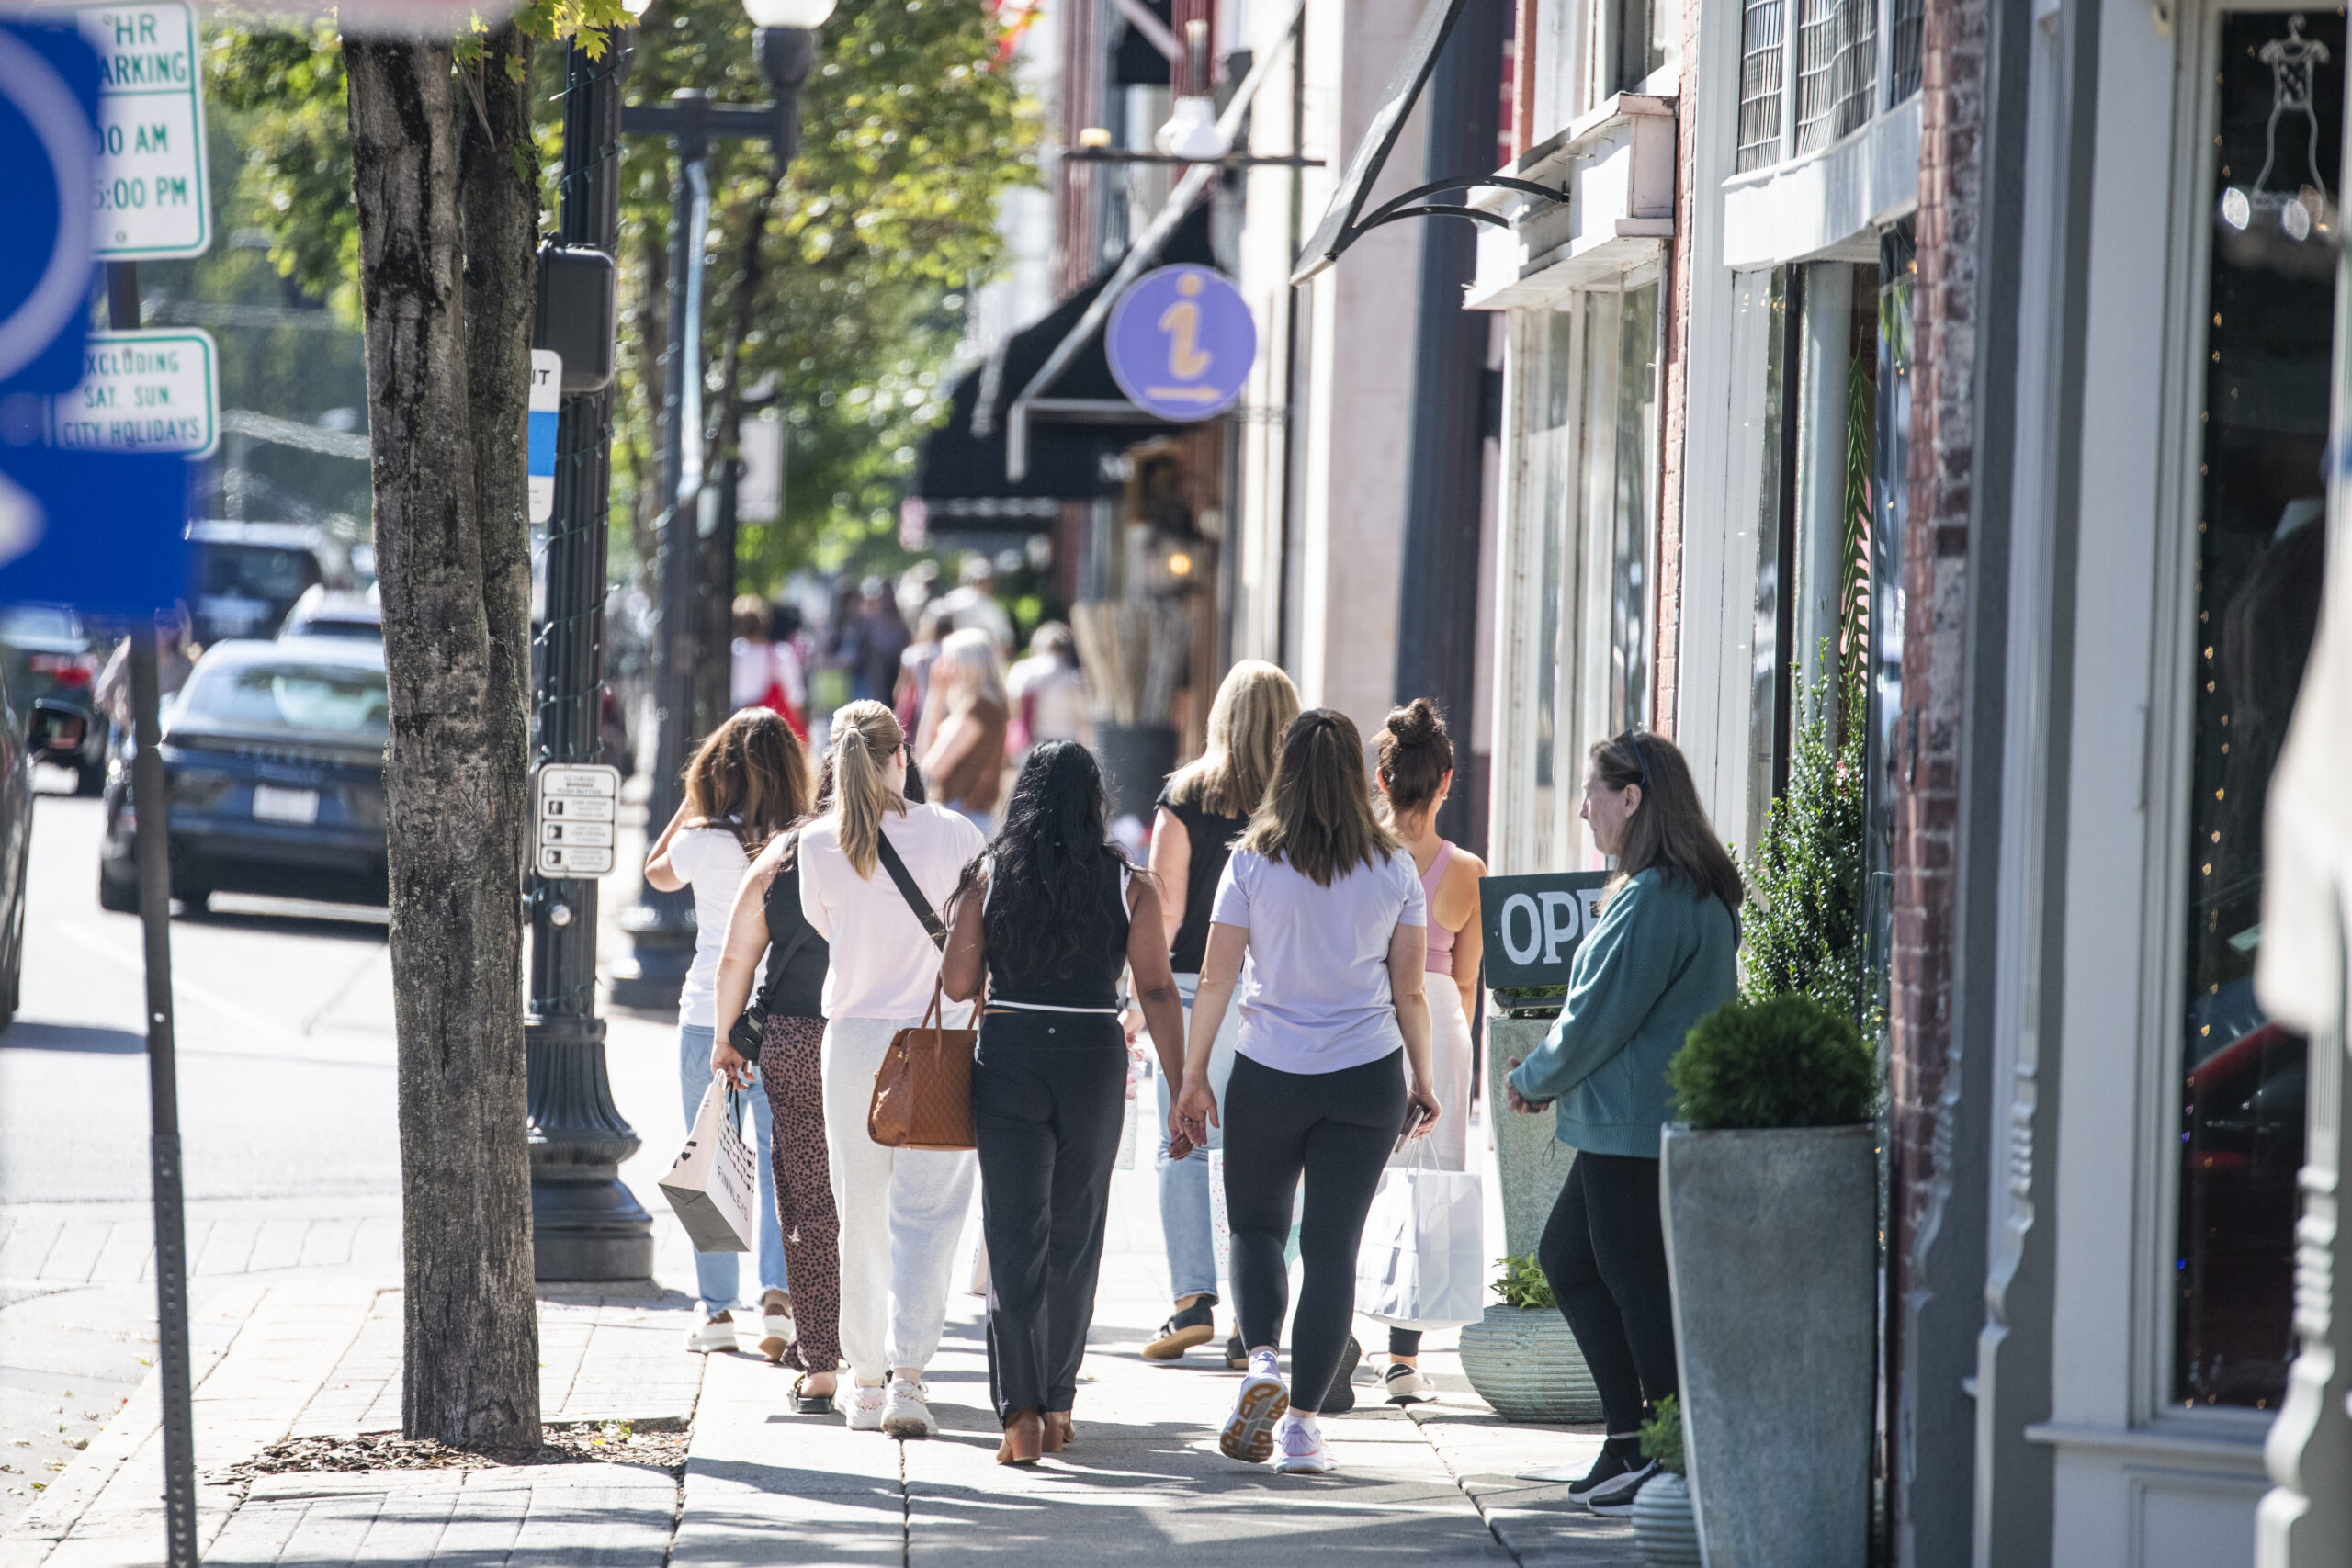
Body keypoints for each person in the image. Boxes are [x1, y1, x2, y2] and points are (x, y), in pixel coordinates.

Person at [1176, 709, 1440, 1476]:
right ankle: (1301, 1429)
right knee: (1332, 1252)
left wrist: (1193, 1074)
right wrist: (1423, 1079)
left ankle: (1261, 1359)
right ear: (1359, 776)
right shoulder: (1394, 868)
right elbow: (1411, 991)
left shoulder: (1250, 862)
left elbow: (1217, 976)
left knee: (1257, 1230)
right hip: (1365, 1077)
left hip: (1268, 1072)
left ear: (1284, 773)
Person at [1504, 730, 1741, 1517]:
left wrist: (1532, 1079)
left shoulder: (1653, 898)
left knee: (1635, 1286)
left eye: (1591, 793)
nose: (1583, 810)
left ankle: (1666, 1454)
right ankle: (1631, 1437)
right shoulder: (1688, 892)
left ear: (1631, 798)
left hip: (1634, 1129)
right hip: (1637, 1126)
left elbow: (1595, 1016)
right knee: (1571, 1259)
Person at [940, 741, 1189, 1464]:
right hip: (1092, 1058)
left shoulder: (990, 874)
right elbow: (1156, 988)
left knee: (1013, 1235)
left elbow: (957, 984)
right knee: (1075, 1236)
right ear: (1093, 803)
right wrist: (1182, 1085)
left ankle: (1019, 1416)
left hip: (1010, 1053)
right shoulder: (1129, 884)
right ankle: (1058, 1405)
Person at [797, 700, 988, 1437]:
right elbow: (977, 932)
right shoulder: (957, 834)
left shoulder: (817, 843)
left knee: (861, 1213)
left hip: (853, 1040)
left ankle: (867, 1379)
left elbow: (824, 925)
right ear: (902, 755)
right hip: (936, 1038)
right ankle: (910, 1376)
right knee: (929, 1214)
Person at [1138, 660, 1300, 1367]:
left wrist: (1134, 1000)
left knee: (1182, 1140)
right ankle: (1251, 1320)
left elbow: (1166, 910)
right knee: (1265, 1154)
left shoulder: (1184, 794)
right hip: (1271, 992)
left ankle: (1191, 1300)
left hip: (1186, 989)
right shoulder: (1298, 802)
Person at [641, 708, 806, 1356]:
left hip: (708, 1018)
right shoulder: (801, 840)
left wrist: (692, 803)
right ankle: (779, 1298)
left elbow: (655, 871)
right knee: (782, 1161)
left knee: (710, 1159)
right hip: (781, 1016)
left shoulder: (703, 838)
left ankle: (716, 1312)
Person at [709, 755, 840, 1413]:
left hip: (795, 1037)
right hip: (891, 1041)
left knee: (809, 1206)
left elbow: (737, 954)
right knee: (889, 1203)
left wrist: (725, 1036)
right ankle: (893, 1359)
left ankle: (821, 1361)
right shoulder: (914, 843)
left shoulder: (787, 852)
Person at [1366, 698, 1487, 1404]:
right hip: (1439, 1019)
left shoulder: (1357, 854)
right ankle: (1403, 1359)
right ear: (1446, 781)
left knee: (1354, 1175)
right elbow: (1467, 979)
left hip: (1367, 1016)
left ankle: (1337, 1335)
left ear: (1382, 780)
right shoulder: (1467, 870)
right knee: (1427, 1187)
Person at [919, 628, 1009, 834]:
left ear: (970, 664)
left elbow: (931, 767)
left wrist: (935, 693)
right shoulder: (981, 705)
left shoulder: (980, 708)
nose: (943, 668)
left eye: (950, 661)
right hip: (967, 814)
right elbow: (927, 754)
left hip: (964, 815)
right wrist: (936, 694)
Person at [1004, 622, 1093, 757]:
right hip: (1065, 748)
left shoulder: (1019, 671)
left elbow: (1011, 711)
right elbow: (1083, 721)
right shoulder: (1073, 677)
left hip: (1027, 750)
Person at [731, 595, 808, 737]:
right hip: (771, 730)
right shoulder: (781, 653)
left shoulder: (734, 654)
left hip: (738, 724)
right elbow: (795, 698)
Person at [933, 553, 1014, 654]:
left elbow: (1005, 641)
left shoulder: (990, 606)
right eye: (979, 582)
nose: (984, 586)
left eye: (986, 582)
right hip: (959, 651)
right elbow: (1006, 642)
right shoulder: (957, 600)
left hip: (966, 652)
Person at [895, 609, 945, 740]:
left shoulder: (913, 654)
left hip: (921, 709)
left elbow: (900, 689)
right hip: (949, 708)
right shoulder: (953, 653)